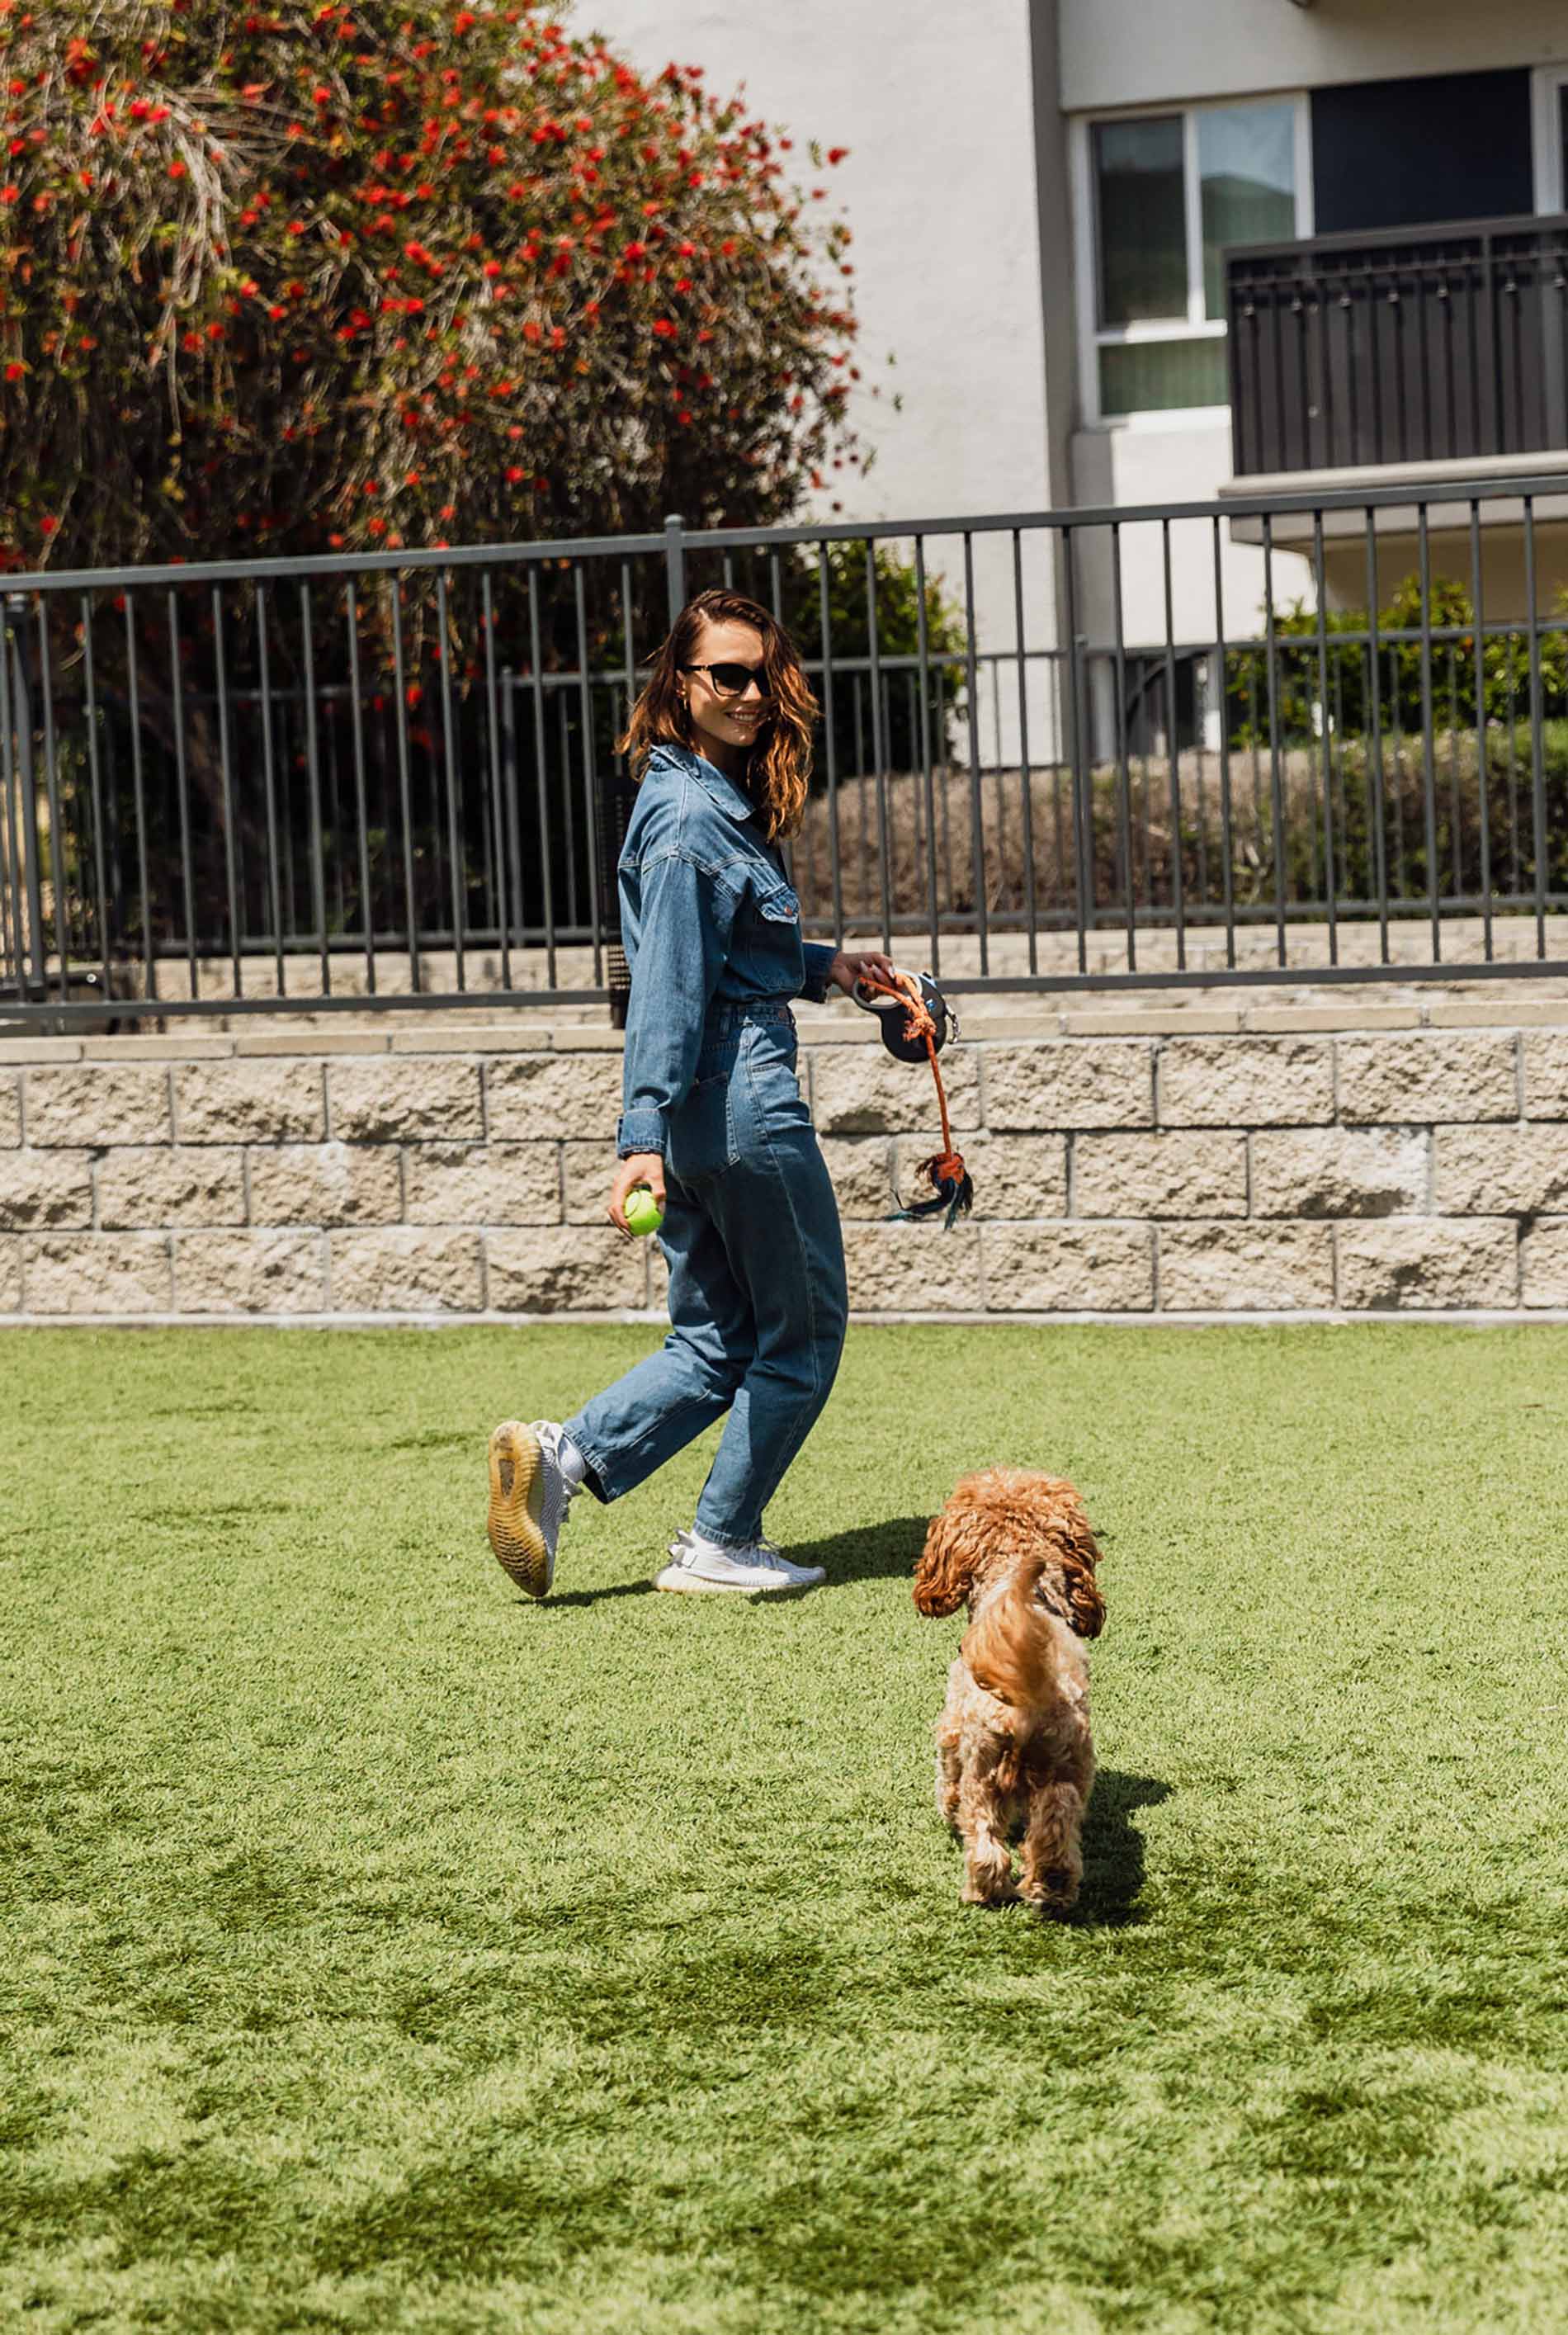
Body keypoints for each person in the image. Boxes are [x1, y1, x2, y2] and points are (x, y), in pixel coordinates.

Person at [485, 587, 895, 1598]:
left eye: (763, 674)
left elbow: (726, 957)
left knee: (717, 1337)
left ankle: (563, 1461)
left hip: (708, 1104)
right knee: (803, 1331)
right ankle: (722, 1540)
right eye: (726, 675)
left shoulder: (705, 800)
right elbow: (667, 988)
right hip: (740, 1098)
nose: (750, 692)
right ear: (680, 683)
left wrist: (828, 965)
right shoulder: (683, 821)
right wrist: (640, 1138)